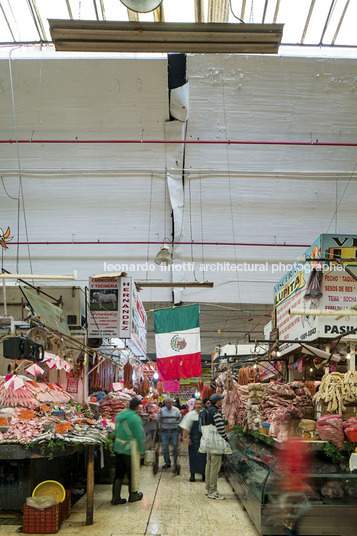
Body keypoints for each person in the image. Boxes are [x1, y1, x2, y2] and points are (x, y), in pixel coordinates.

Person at [112, 397, 145, 505]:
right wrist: (142, 451)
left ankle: (115, 498)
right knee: (132, 473)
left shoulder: (119, 415)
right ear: (136, 407)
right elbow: (139, 436)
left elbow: (115, 430)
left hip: (118, 447)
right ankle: (133, 495)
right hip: (129, 449)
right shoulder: (135, 418)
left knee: (119, 474)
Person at [205, 393, 229, 500]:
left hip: (208, 441)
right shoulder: (216, 413)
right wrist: (226, 438)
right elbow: (221, 429)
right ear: (217, 402)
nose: (222, 401)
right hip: (216, 442)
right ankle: (213, 491)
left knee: (209, 465)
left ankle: (208, 488)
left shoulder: (207, 411)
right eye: (220, 400)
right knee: (215, 467)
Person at [180, 398, 207, 482]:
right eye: (197, 404)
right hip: (193, 439)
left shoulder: (204, 414)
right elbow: (185, 427)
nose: (198, 405)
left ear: (202, 405)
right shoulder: (190, 415)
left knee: (203, 458)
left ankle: (203, 474)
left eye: (200, 404)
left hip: (203, 439)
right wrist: (186, 437)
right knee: (193, 457)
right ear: (194, 405)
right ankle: (192, 475)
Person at [157, 398, 181, 469]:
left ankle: (175, 462)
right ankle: (167, 462)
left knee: (175, 447)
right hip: (165, 430)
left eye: (169, 402)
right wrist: (160, 414)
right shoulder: (162, 410)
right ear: (165, 403)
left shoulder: (176, 410)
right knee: (164, 448)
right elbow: (158, 419)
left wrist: (178, 421)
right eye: (166, 403)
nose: (168, 404)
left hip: (174, 430)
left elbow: (180, 418)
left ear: (172, 403)